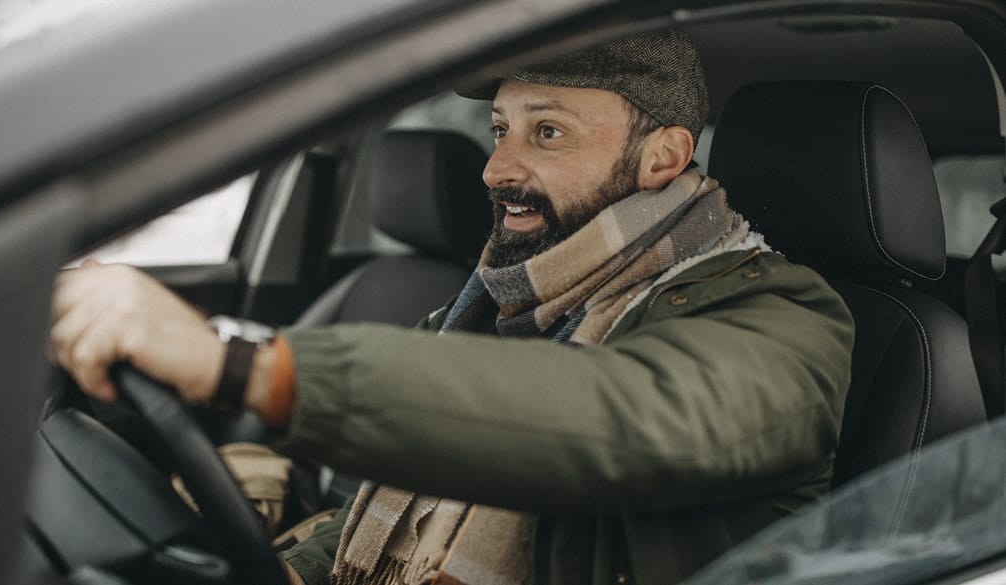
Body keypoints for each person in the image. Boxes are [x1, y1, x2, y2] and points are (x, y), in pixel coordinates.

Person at [50, 28, 854, 585]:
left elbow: (610, 419)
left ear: (662, 158)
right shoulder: (500, 303)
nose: (496, 167)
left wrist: (239, 365)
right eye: (500, 127)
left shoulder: (788, 321)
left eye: (546, 132)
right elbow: (386, 500)